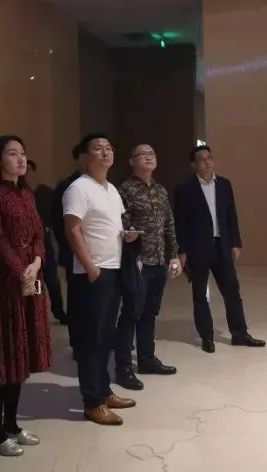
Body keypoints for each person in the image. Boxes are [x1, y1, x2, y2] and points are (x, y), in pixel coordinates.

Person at [0, 136, 51, 456]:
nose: (20, 159)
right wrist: (21, 271)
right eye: (12, 153)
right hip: (4, 284)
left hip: (30, 278)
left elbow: (38, 235)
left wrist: (35, 264)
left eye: (23, 153)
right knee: (2, 357)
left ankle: (12, 424)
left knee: (21, 357)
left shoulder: (27, 193)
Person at [63, 133, 138, 425]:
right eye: (98, 148)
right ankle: (92, 402)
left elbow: (110, 226)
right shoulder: (79, 188)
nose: (105, 152)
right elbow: (72, 230)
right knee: (90, 340)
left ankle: (104, 391)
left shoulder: (110, 189)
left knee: (105, 337)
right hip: (93, 274)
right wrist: (90, 266)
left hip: (114, 269)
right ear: (85, 157)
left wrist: (126, 236)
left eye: (109, 148)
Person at [173, 145, 265, 353]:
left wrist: (236, 243)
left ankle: (240, 334)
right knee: (200, 295)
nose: (207, 162)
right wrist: (182, 251)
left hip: (222, 245)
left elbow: (231, 215)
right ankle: (207, 337)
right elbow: (180, 222)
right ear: (193, 164)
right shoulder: (184, 189)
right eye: (202, 159)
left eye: (210, 157)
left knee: (232, 291)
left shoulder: (224, 184)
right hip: (197, 248)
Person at [114, 144, 181, 390]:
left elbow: (169, 224)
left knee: (150, 312)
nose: (149, 157)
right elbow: (122, 222)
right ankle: (123, 367)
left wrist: (174, 256)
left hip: (158, 261)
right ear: (132, 161)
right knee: (131, 313)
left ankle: (146, 359)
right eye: (143, 154)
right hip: (137, 262)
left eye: (152, 153)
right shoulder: (125, 189)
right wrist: (131, 239)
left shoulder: (161, 190)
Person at [25, 159, 66, 324]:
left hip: (45, 242)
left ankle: (59, 311)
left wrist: (57, 240)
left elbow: (56, 217)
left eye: (29, 169)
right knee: (34, 280)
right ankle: (35, 314)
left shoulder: (46, 192)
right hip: (26, 243)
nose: (26, 173)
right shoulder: (19, 193)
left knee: (52, 279)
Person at [52, 148, 84, 348]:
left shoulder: (104, 185)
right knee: (77, 300)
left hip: (102, 254)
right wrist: (71, 248)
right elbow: (58, 222)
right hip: (74, 253)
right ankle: (78, 342)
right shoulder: (66, 186)